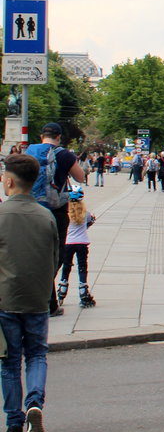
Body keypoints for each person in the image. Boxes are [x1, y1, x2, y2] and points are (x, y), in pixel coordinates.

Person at [0, 153, 59, 432]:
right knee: (36, 355)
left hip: (5, 300)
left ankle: (13, 424)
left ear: (8, 181)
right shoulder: (46, 216)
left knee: (9, 362)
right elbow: (54, 259)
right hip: (36, 299)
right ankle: (35, 404)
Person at [25, 123, 84, 317]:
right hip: (57, 211)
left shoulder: (29, 152)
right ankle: (44, 298)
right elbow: (80, 177)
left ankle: (49, 302)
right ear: (59, 137)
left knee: (33, 252)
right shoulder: (65, 154)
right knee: (55, 256)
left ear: (42, 136)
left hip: (31, 209)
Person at [57, 190, 96, 309]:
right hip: (82, 243)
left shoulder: (66, 213)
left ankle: (62, 288)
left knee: (66, 266)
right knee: (82, 267)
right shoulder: (86, 213)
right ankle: (83, 290)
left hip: (68, 243)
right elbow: (90, 222)